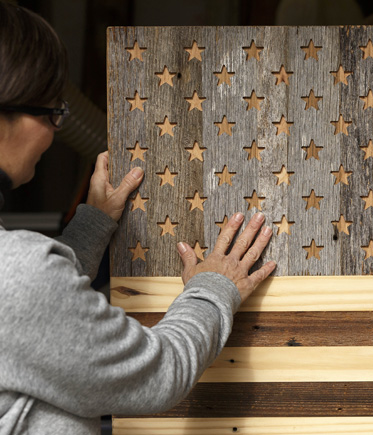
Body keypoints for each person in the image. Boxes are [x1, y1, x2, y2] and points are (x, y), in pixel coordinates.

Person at [0, 2, 276, 434]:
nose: (55, 129)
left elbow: (34, 321)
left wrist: (91, 226)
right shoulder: (16, 274)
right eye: (49, 112)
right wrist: (214, 286)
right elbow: (160, 373)